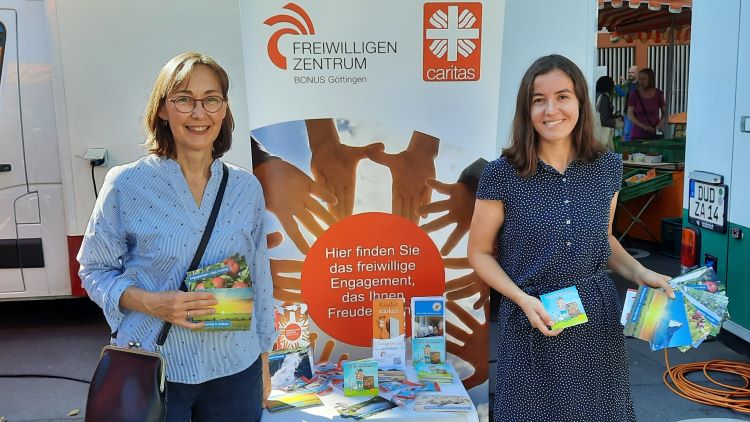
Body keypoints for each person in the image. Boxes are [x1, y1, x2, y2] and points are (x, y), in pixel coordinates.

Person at [467, 54, 673, 422]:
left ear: (579, 101)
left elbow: (604, 240)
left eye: (562, 96)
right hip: (533, 317)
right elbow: (479, 253)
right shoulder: (502, 174)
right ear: (525, 109)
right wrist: (521, 299)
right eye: (538, 99)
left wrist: (643, 274)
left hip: (595, 319)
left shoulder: (606, 167)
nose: (551, 110)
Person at [77, 52, 276, 422]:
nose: (199, 113)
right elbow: (93, 269)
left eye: (211, 99)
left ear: (224, 109)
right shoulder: (127, 183)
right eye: (184, 99)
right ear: (164, 110)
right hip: (157, 366)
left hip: (235, 368)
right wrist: (153, 303)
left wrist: (265, 358)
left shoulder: (245, 187)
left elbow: (260, 275)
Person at [627, 67, 667, 140]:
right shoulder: (634, 94)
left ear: (650, 80)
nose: (641, 81)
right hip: (638, 134)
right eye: (639, 78)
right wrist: (644, 127)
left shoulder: (658, 94)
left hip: (654, 133)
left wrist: (660, 123)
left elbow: (665, 113)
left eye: (644, 79)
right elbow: (630, 115)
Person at [615, 65, 638, 140]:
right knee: (627, 132)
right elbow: (623, 93)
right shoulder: (628, 84)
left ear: (637, 73)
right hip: (627, 112)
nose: (630, 74)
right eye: (629, 72)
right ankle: (627, 150)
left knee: (635, 133)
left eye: (632, 72)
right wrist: (616, 86)